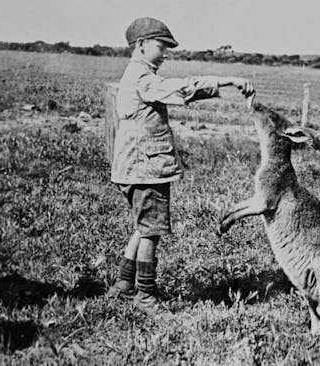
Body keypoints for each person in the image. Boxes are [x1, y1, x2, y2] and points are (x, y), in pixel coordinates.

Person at [106, 17, 255, 315]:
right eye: (161, 46)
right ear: (141, 45)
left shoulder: (134, 75)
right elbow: (181, 90)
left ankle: (123, 285)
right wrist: (227, 80)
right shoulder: (143, 78)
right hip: (145, 169)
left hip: (135, 167)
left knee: (144, 226)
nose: (165, 54)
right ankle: (145, 296)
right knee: (151, 231)